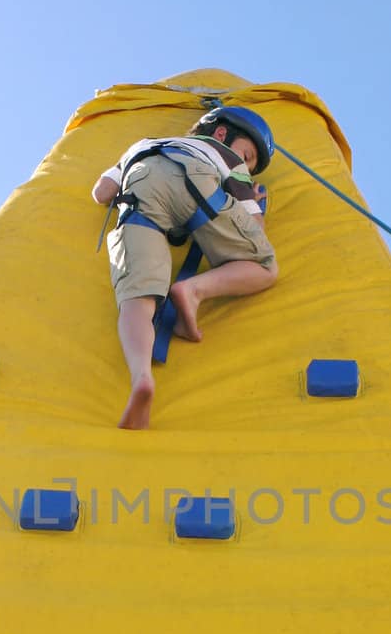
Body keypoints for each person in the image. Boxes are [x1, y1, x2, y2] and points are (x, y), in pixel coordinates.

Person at [92, 106, 279, 429]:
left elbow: (102, 193)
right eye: (248, 156)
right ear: (222, 134)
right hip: (197, 178)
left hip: (140, 184)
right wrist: (256, 199)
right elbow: (255, 225)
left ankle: (141, 378)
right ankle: (193, 291)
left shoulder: (143, 144)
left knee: (136, 297)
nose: (248, 164)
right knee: (264, 266)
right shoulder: (227, 157)